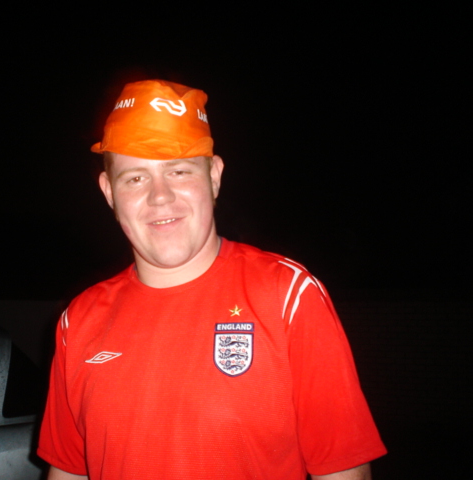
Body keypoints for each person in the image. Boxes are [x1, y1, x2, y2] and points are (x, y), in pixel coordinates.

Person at [37, 80, 386, 479]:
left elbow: (344, 471)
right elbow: (67, 471)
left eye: (179, 171)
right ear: (108, 192)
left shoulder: (289, 297)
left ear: (214, 176)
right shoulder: (79, 320)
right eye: (135, 178)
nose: (160, 196)